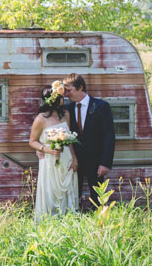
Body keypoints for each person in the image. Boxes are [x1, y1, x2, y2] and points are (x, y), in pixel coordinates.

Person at [63, 73, 115, 206]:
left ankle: (100, 221)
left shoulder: (101, 106)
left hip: (96, 161)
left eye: (69, 90)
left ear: (80, 88)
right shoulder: (67, 109)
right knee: (74, 194)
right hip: (74, 161)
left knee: (98, 197)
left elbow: (109, 136)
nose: (66, 94)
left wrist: (105, 163)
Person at [29, 83, 79, 218]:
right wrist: (47, 150)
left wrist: (74, 159)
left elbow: (69, 141)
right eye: (61, 96)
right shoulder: (41, 119)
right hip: (50, 160)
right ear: (54, 99)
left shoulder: (66, 114)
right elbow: (32, 141)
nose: (64, 99)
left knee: (67, 190)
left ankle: (68, 218)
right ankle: (49, 218)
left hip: (66, 158)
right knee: (50, 190)